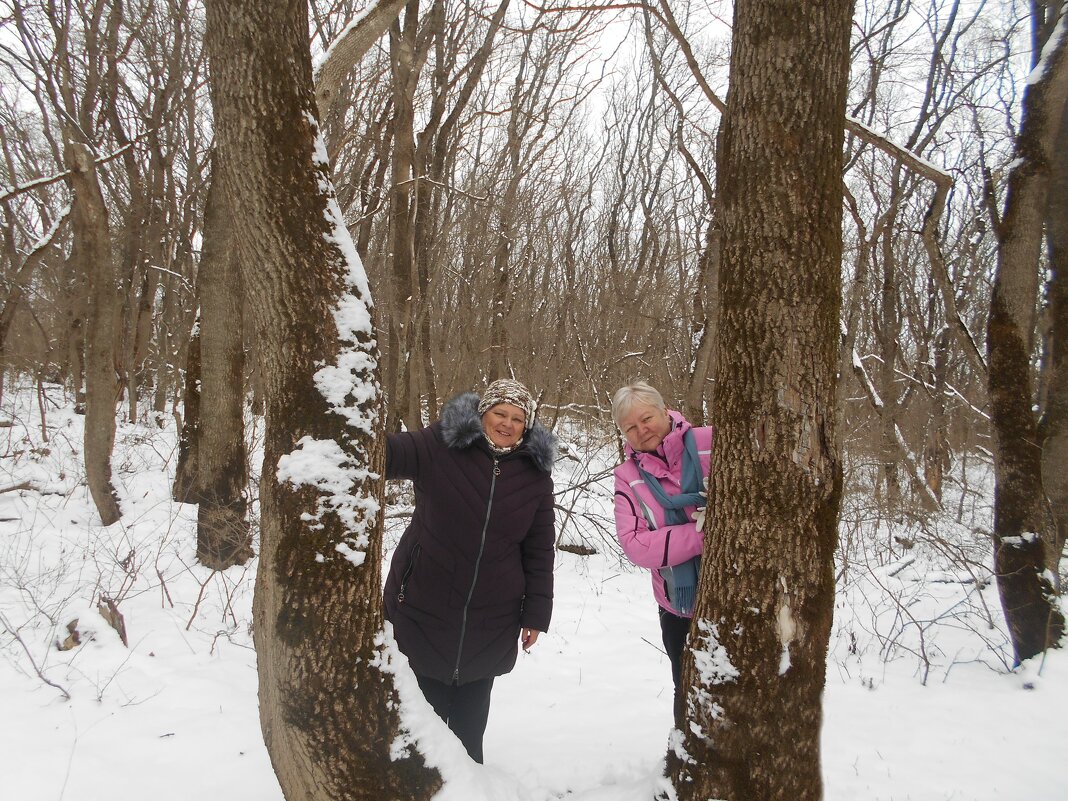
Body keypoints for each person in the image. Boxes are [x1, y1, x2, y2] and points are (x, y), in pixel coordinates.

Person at [383, 378, 557, 763]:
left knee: (467, 740)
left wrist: (536, 614)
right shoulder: (440, 445)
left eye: (517, 418)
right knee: (416, 738)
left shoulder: (535, 477)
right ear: (482, 414)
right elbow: (384, 454)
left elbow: (539, 550)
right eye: (500, 413)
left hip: (492, 619)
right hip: (424, 605)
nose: (507, 423)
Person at [611, 381, 712, 709]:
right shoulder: (627, 476)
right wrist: (705, 534)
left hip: (734, 593)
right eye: (630, 427)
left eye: (647, 418)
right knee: (687, 688)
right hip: (678, 606)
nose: (641, 430)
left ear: (664, 411)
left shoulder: (710, 442)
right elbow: (636, 543)